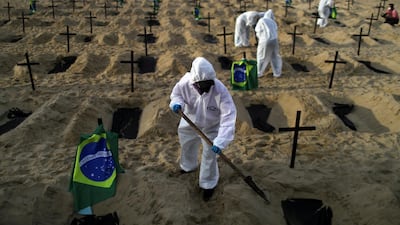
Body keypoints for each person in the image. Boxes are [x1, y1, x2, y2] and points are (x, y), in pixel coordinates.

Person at [169, 57, 237, 201]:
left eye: (209, 84)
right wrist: (176, 103)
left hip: (211, 126)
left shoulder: (220, 90)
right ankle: (188, 166)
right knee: (187, 145)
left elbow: (228, 117)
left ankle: (208, 184)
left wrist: (221, 141)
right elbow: (176, 95)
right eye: (203, 84)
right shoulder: (185, 82)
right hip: (189, 121)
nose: (207, 87)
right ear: (195, 82)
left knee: (209, 155)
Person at [255, 9, 282, 78]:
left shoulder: (262, 20)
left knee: (261, 56)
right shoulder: (273, 22)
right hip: (274, 40)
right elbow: (275, 30)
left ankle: (259, 73)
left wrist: (260, 39)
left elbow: (258, 31)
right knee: (275, 56)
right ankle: (277, 73)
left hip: (265, 40)